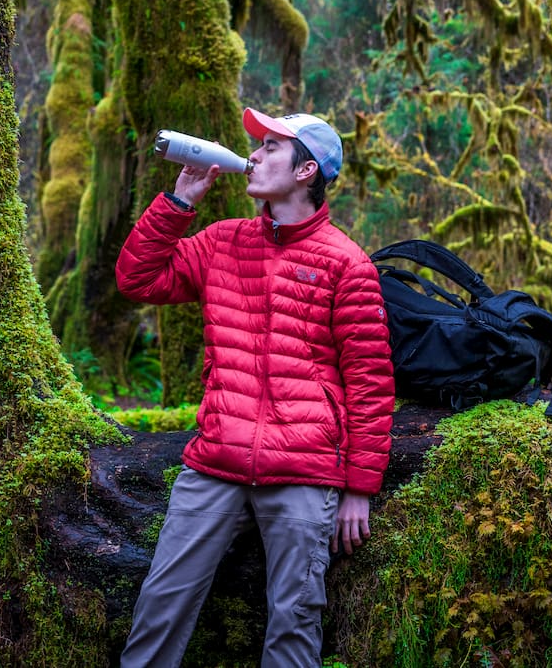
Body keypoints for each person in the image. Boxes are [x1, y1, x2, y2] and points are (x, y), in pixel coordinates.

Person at [115, 108, 396, 668]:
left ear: (305, 171)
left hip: (303, 471)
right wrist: (180, 203)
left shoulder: (348, 264)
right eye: (258, 144)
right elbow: (138, 279)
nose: (256, 154)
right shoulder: (223, 242)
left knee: (294, 625)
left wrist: (361, 487)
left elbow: (370, 382)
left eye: (271, 147)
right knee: (159, 611)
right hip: (215, 461)